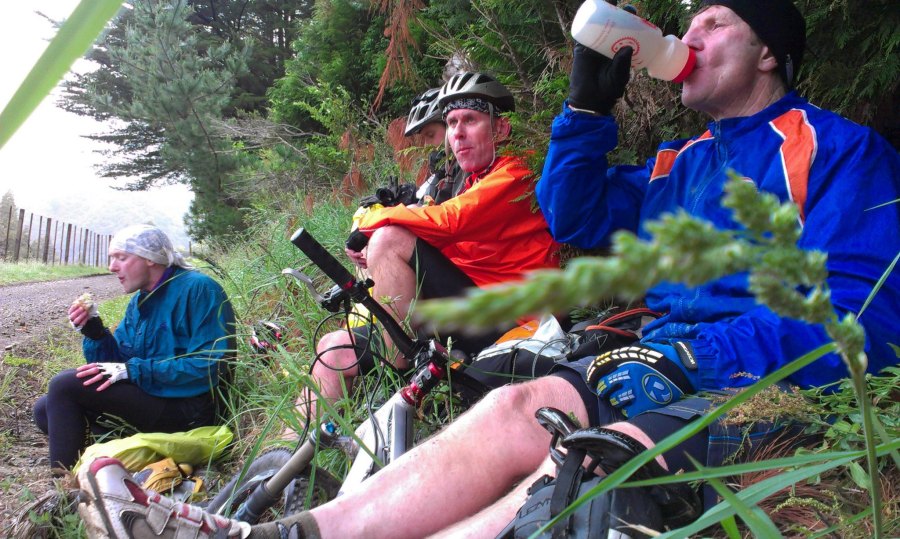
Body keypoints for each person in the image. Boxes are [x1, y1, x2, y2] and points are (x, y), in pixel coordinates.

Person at [75, 1, 900, 537]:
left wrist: (697, 354)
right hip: (652, 353)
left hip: (745, 368)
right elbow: (573, 214)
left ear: (767, 54)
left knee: (566, 450)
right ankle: (282, 529)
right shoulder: (676, 163)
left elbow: (868, 320)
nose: (691, 31)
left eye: (716, 20)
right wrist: (584, 108)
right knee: (521, 411)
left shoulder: (838, 148)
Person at [291, 74, 561, 429]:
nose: (457, 133)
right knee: (333, 347)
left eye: (470, 120)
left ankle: (394, 362)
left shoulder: (516, 172)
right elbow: (442, 236)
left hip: (516, 323)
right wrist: (373, 245)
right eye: (451, 123)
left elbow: (450, 222)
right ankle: (280, 459)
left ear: (501, 129)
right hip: (472, 310)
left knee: (390, 239)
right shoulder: (476, 179)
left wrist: (372, 225)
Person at [33, 224, 235, 473]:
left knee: (64, 386)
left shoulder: (199, 289)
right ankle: (113, 462)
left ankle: (64, 491)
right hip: (153, 399)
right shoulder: (139, 302)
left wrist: (134, 371)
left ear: (150, 259)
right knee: (45, 409)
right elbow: (115, 365)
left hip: (188, 409)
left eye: (121, 257)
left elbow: (213, 365)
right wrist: (95, 332)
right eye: (112, 258)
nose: (112, 267)